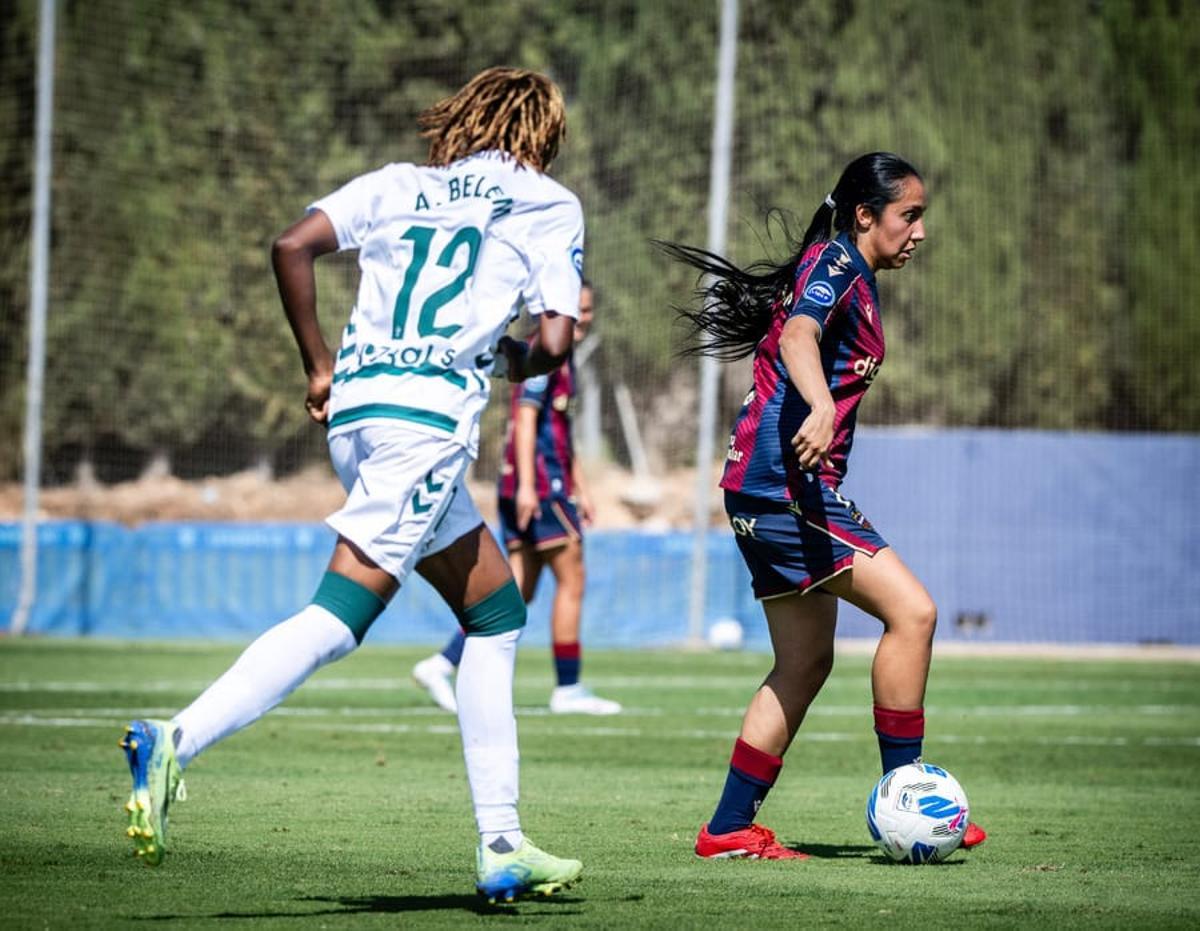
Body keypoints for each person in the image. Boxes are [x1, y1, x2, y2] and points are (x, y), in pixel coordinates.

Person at [119, 67, 588, 902]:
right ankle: (174, 739)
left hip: (359, 412)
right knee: (338, 617)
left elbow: (290, 245)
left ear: (466, 120)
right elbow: (553, 339)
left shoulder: (400, 183)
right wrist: (512, 355)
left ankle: (504, 843)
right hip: (425, 428)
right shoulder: (545, 201)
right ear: (541, 136)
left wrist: (317, 364)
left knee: (493, 613)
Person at [660, 152, 987, 860]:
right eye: (910, 215)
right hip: (784, 485)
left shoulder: (850, 271)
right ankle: (910, 797)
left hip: (769, 484)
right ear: (866, 216)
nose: (920, 231)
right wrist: (817, 404)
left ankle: (726, 828)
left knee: (804, 662)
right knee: (915, 612)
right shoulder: (835, 265)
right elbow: (801, 334)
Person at [412, 281, 621, 716]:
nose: (584, 317)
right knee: (572, 580)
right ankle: (568, 688)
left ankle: (441, 663)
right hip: (541, 486)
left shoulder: (559, 356)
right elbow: (524, 422)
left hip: (545, 483)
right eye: (576, 310)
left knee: (515, 590)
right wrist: (529, 486)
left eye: (588, 309)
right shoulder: (542, 358)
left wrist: (580, 486)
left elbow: (561, 432)